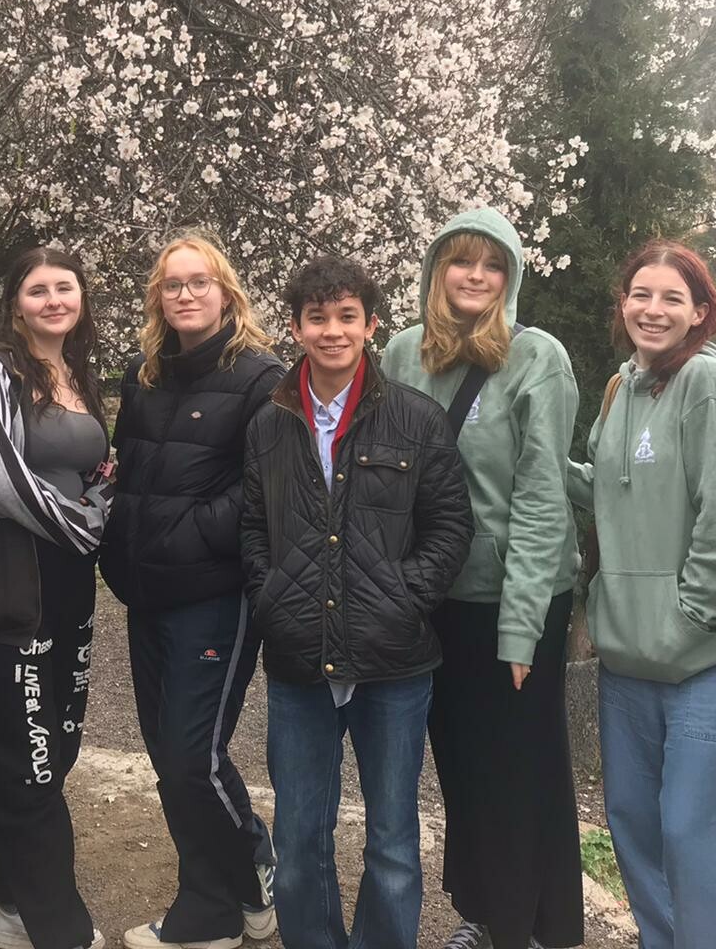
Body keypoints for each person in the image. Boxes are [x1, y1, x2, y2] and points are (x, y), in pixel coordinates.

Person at [241, 255, 471, 949]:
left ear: (372, 325)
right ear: (295, 327)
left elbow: (450, 527)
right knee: (297, 836)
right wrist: (272, 596)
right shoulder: (269, 424)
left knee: (393, 840)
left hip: (392, 662)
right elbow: (253, 526)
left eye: (347, 317)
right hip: (299, 659)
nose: (332, 331)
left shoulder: (417, 420)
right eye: (317, 318)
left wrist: (402, 599)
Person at [381, 209, 583, 949]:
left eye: (492, 265)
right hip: (435, 595)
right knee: (461, 762)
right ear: (436, 271)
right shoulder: (403, 354)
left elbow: (541, 496)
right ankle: (484, 911)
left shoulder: (537, 359)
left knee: (519, 768)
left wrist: (522, 625)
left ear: (511, 277)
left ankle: (532, 926)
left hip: (515, 594)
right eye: (461, 261)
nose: (475, 276)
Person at [565, 240, 716, 949]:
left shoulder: (704, 381)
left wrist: (691, 617)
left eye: (672, 298)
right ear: (623, 304)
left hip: (709, 660)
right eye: (641, 294)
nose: (653, 310)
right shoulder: (622, 386)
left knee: (696, 836)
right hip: (629, 660)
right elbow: (608, 488)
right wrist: (537, 460)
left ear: (700, 312)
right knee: (637, 829)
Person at [102, 234, 284, 949]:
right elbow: (128, 468)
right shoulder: (143, 373)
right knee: (171, 760)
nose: (185, 294)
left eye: (198, 282)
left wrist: (184, 534)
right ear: (158, 297)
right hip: (146, 592)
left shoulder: (261, 378)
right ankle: (245, 882)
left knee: (189, 759)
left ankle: (217, 901)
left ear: (225, 291)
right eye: (171, 284)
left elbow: (265, 488)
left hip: (213, 594)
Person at [0, 247, 112, 949]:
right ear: (15, 304)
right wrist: (85, 524)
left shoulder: (77, 373)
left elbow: (97, 469)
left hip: (68, 590)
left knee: (57, 746)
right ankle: (59, 927)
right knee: (28, 759)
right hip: (9, 587)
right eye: (38, 290)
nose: (53, 301)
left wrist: (101, 498)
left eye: (64, 287)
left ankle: (13, 909)